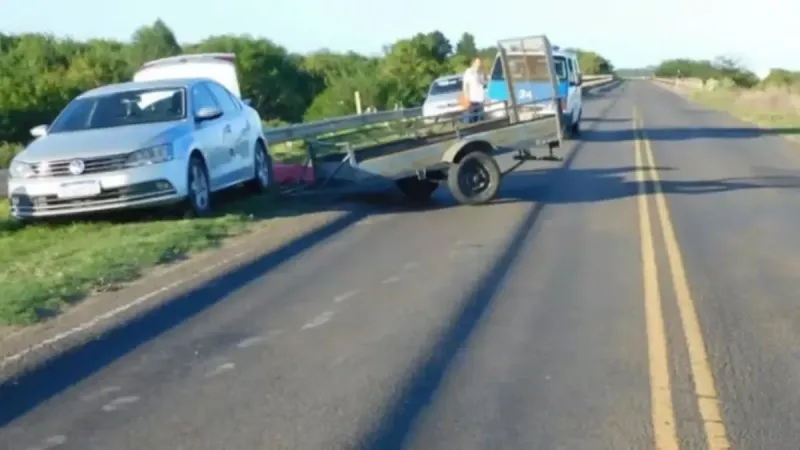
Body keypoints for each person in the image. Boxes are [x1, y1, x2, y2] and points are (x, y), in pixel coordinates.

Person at [461, 57, 487, 124]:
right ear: (473, 63)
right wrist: (466, 96)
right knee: (470, 117)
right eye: (477, 62)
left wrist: (485, 97)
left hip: (480, 98)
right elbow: (465, 85)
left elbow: (483, 84)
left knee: (480, 118)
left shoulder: (481, 72)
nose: (479, 64)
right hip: (471, 98)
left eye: (480, 62)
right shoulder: (468, 72)